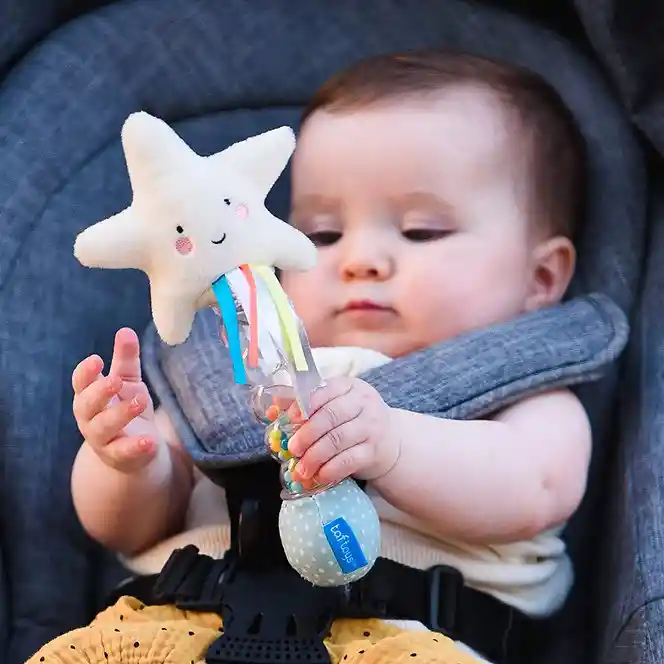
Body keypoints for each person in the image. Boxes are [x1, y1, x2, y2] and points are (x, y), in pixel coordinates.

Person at [30, 51, 591, 664]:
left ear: (541, 276)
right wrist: (127, 460)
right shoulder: (221, 373)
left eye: (422, 230)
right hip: (169, 630)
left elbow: (534, 489)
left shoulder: (530, 394)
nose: (360, 260)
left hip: (402, 640)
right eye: (322, 235)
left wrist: (394, 445)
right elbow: (125, 527)